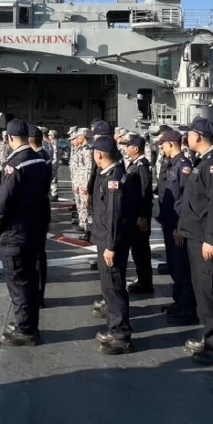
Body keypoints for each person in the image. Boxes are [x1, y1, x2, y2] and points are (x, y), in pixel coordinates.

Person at [177, 118, 213, 366]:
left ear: (198, 136)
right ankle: (212, 338)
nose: (186, 138)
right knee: (204, 293)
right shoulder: (203, 162)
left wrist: (212, 238)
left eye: (189, 134)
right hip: (197, 238)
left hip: (207, 242)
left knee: (212, 293)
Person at [0, 119, 53, 346]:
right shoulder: (41, 159)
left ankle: (26, 330)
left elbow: (4, 199)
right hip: (35, 225)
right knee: (29, 277)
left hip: (15, 230)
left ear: (10, 139)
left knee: (18, 280)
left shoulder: (15, 164)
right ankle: (27, 324)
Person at [90, 135, 135, 355]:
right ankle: (113, 327)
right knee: (109, 287)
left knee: (114, 287)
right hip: (106, 239)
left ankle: (121, 336)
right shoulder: (107, 173)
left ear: (98, 154)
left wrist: (110, 245)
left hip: (111, 242)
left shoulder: (113, 178)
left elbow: (114, 215)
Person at [155, 127, 197, 325]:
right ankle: (178, 300)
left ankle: (187, 306)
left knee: (182, 266)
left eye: (163, 144)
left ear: (171, 144)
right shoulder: (171, 164)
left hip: (177, 225)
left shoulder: (183, 166)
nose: (161, 147)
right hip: (169, 222)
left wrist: (181, 226)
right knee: (174, 263)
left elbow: (186, 199)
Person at [122, 133, 155, 294]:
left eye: (128, 146)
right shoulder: (135, 163)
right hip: (134, 215)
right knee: (137, 250)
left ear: (135, 148)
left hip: (139, 216)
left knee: (141, 250)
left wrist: (142, 215)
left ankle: (145, 283)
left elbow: (145, 191)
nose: (126, 148)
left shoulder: (141, 165)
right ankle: (142, 279)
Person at [25, 125, 54, 307]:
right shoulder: (46, 156)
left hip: (34, 211)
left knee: (34, 255)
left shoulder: (35, 159)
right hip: (43, 208)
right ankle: (39, 293)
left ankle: (36, 295)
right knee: (39, 254)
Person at [69, 128, 94, 238]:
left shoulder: (88, 150)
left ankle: (89, 229)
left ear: (83, 137)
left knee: (86, 207)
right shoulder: (79, 149)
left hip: (84, 182)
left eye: (78, 136)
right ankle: (83, 224)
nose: (76, 138)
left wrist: (86, 185)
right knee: (81, 205)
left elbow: (88, 169)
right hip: (78, 181)